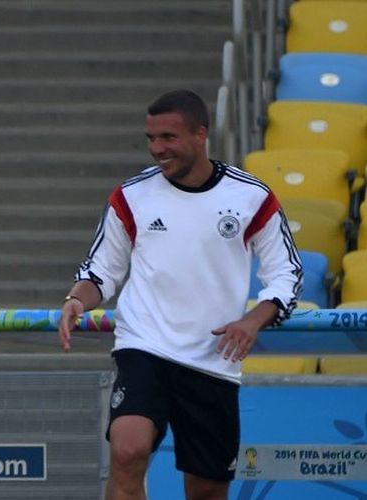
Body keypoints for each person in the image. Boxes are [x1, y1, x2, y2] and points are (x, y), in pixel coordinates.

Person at [59, 89, 302, 500]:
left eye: (168, 138)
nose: (157, 149)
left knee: (206, 489)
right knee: (127, 450)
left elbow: (287, 274)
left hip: (213, 359)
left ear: (200, 134)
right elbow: (100, 271)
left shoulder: (251, 197)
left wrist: (252, 320)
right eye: (151, 139)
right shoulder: (131, 196)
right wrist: (77, 300)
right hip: (145, 346)